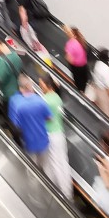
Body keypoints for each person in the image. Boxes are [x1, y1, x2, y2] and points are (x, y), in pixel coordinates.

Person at [38, 71, 73, 199]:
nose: (40, 86)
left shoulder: (45, 100)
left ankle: (59, 192)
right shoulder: (57, 98)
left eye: (41, 84)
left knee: (54, 163)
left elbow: (43, 119)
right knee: (63, 162)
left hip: (50, 135)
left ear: (47, 85)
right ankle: (68, 192)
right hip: (60, 134)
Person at [7, 75, 52, 168]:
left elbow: (16, 124)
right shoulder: (40, 101)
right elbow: (49, 118)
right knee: (45, 167)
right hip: (43, 141)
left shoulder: (18, 105)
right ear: (31, 87)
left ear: (21, 88)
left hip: (29, 143)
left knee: (33, 171)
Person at [0, 37, 23, 123]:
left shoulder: (2, 61)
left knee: (8, 116)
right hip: (17, 91)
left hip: (7, 94)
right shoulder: (16, 55)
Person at [90, 49, 109, 122]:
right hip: (105, 94)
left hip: (98, 91)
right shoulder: (106, 70)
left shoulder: (97, 64)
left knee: (104, 112)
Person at [64, 25, 90, 94]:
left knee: (79, 83)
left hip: (77, 68)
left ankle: (81, 94)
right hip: (84, 66)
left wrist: (67, 57)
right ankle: (84, 91)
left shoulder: (69, 44)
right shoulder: (81, 40)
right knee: (84, 81)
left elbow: (70, 60)